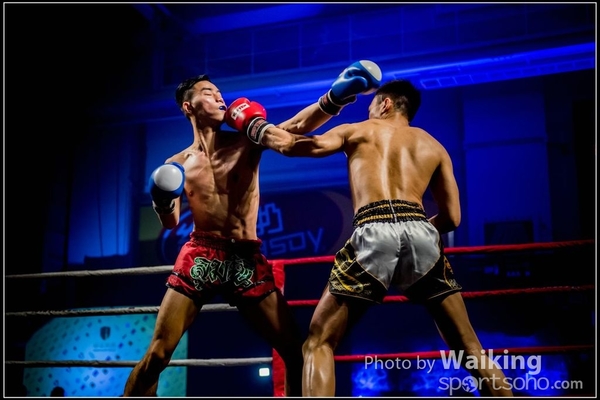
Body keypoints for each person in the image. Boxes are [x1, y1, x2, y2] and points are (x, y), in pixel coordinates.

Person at [235, 79, 514, 396]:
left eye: (371, 105)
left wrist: (254, 127)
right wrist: (414, 231)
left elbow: (292, 146)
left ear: (385, 103)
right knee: (468, 346)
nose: (369, 112)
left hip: (373, 229)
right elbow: (452, 218)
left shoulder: (358, 130)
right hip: (421, 231)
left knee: (318, 341)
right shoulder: (434, 146)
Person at [122, 60, 382, 397]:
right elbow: (171, 222)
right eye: (208, 93)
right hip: (200, 254)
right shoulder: (176, 164)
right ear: (188, 107)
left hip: (244, 256)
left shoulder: (246, 141)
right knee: (158, 353)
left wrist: (336, 97)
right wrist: (160, 199)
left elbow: (295, 128)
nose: (219, 98)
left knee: (294, 348)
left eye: (219, 93)